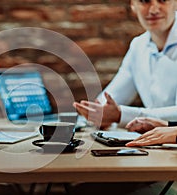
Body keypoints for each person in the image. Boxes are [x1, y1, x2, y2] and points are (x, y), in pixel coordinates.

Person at [73, 0, 177, 130]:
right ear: (133, 5)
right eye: (145, 1)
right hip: (156, 143)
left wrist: (122, 115)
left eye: (162, 0)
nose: (153, 10)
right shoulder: (138, 46)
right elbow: (112, 97)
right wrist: (96, 113)